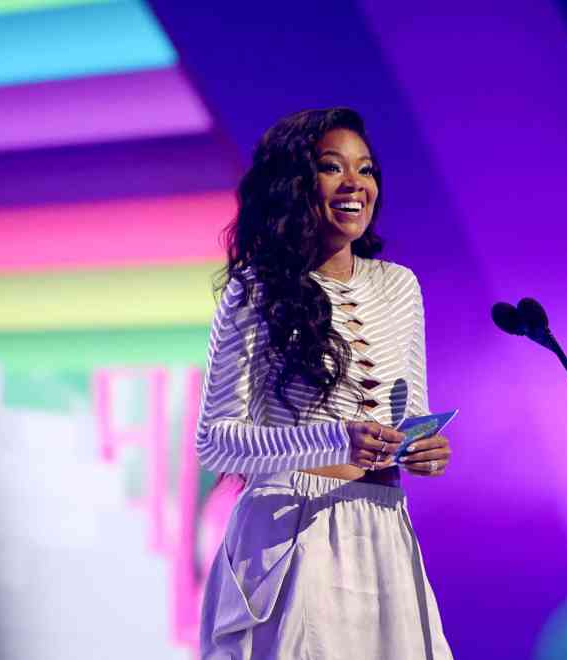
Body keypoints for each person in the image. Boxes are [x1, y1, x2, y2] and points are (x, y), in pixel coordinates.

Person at [195, 107, 454, 659]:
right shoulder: (255, 290)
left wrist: (423, 451)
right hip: (293, 532)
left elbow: (410, 415)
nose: (355, 183)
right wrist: (336, 438)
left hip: (383, 528)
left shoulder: (400, 288)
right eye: (332, 167)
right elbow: (214, 439)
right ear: (296, 185)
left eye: (367, 170)